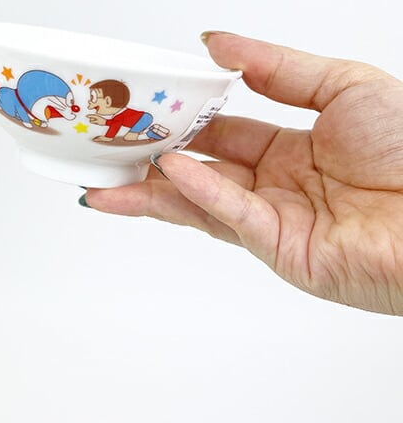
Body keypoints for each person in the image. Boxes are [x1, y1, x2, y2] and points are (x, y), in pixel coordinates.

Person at [79, 31, 403, 316]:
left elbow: (116, 128)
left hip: (142, 127)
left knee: (154, 144)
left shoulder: (129, 115)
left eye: (96, 99)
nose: (92, 103)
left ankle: (151, 134)